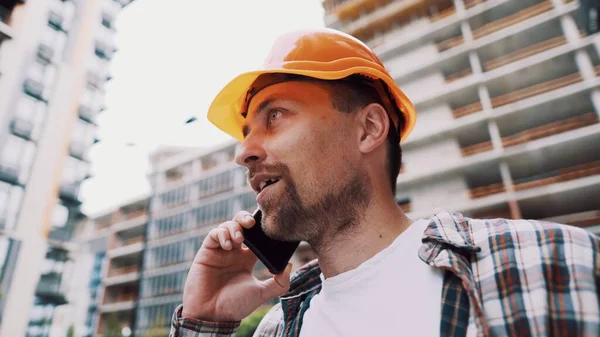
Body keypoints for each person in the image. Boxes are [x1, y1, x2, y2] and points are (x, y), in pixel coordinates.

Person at [169, 28, 599, 337]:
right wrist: (205, 323)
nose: (243, 152)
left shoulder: (550, 264)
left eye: (275, 115)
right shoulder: (277, 327)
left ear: (369, 129)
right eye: (246, 132)